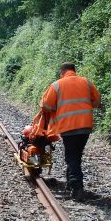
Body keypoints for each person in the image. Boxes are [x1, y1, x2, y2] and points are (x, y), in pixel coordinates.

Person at [39, 62, 101, 201]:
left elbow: (47, 105)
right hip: (85, 126)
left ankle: (77, 189)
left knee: (72, 157)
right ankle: (71, 185)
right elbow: (97, 101)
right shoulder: (86, 82)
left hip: (68, 126)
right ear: (74, 70)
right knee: (75, 156)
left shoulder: (57, 85)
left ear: (62, 72)